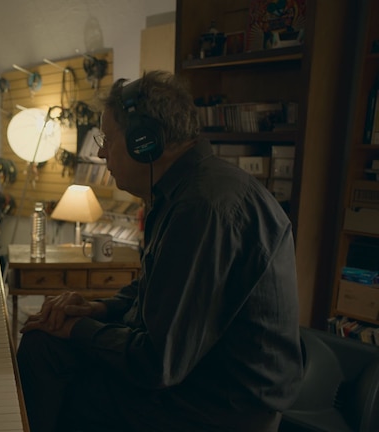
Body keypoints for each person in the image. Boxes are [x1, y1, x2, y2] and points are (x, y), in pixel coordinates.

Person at [16, 71, 303, 432]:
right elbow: (161, 291)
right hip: (200, 375)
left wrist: (76, 328)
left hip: (221, 405)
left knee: (50, 363)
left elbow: (157, 363)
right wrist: (97, 309)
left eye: (107, 138)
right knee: (45, 345)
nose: (101, 151)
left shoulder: (201, 208)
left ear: (145, 141)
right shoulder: (186, 191)